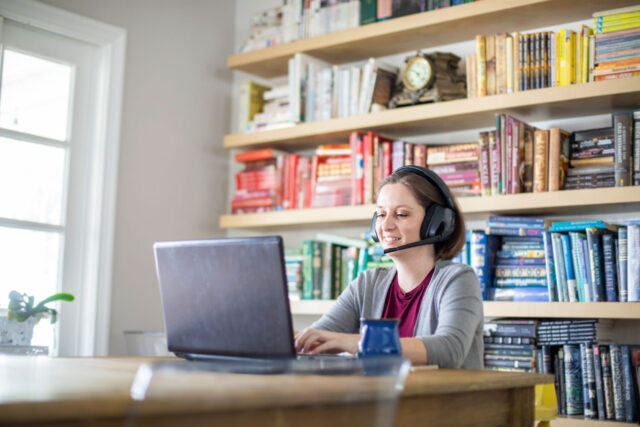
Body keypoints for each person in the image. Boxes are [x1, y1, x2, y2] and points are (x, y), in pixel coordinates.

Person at [294, 165, 484, 369]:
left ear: (436, 224)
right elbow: (316, 338)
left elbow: (449, 350)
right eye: (381, 214)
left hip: (443, 400)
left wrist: (358, 342)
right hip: (384, 399)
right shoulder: (367, 284)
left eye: (401, 214)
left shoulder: (458, 279)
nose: (385, 226)